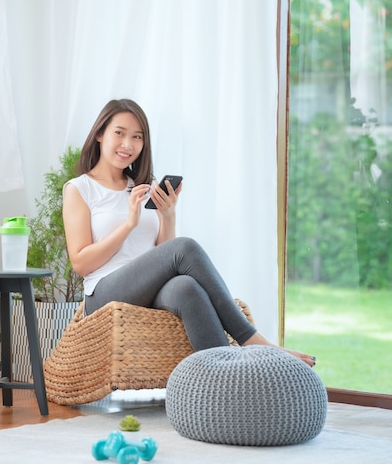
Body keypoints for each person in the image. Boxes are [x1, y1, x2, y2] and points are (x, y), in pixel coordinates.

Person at [63, 98, 316, 367]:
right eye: (119, 133)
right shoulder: (80, 188)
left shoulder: (143, 186)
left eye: (137, 137)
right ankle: (254, 342)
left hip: (148, 288)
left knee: (187, 287)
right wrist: (129, 224)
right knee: (185, 247)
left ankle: (228, 381)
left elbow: (163, 254)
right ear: (100, 134)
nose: (128, 144)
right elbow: (80, 263)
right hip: (103, 292)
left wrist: (167, 215)